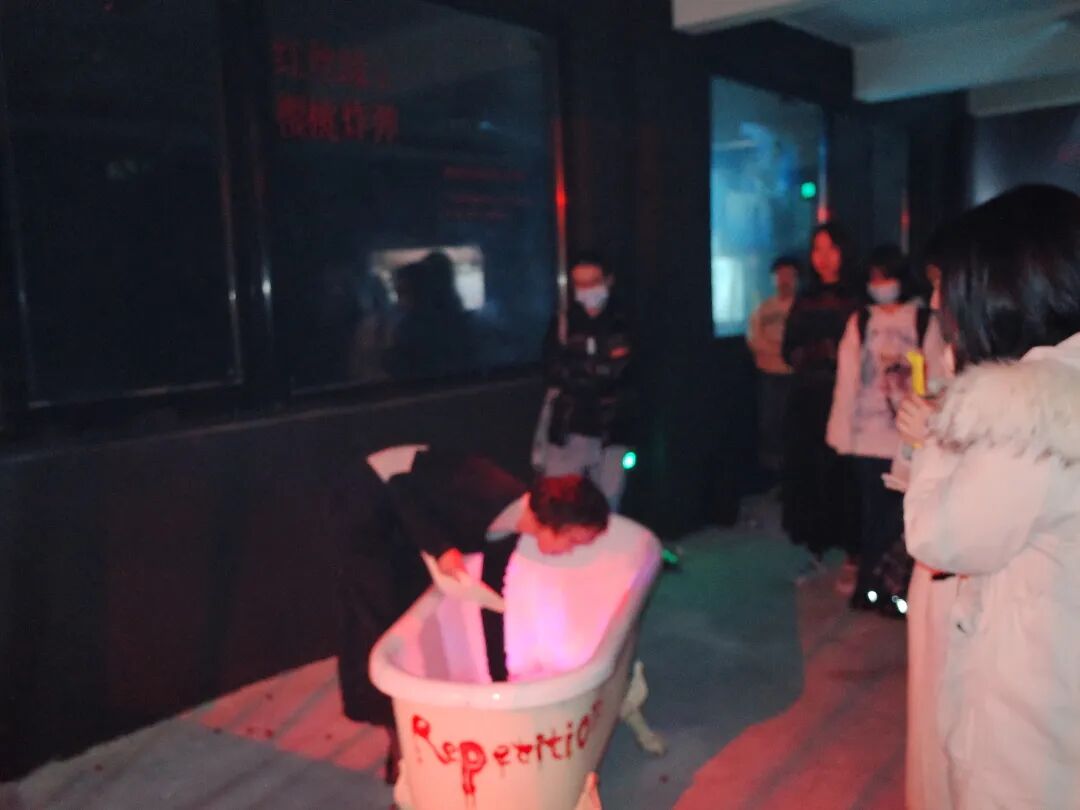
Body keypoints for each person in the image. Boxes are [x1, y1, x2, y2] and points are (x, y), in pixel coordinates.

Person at [898, 184, 1080, 809]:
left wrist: (936, 437)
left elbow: (941, 539)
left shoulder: (1025, 405)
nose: (939, 302)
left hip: (1032, 697)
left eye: (950, 284)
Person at [333, 447, 613, 774]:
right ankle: (399, 745)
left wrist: (500, 683)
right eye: (574, 541)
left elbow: (490, 603)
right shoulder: (489, 492)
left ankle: (406, 725)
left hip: (402, 513)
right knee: (379, 621)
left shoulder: (508, 529)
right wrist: (442, 548)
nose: (571, 551)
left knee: (409, 606)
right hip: (367, 494)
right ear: (556, 522)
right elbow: (400, 486)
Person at [826, 244, 945, 610]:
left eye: (886, 276)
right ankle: (870, 589)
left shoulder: (923, 320)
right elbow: (846, 381)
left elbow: (937, 377)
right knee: (873, 517)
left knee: (898, 518)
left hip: (907, 436)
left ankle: (889, 590)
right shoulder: (861, 320)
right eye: (874, 278)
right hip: (866, 436)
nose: (880, 284)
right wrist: (841, 434)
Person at [780, 224, 861, 578]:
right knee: (810, 472)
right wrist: (814, 353)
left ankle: (853, 550)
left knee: (846, 474)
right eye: (817, 249)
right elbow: (788, 348)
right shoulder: (806, 298)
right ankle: (814, 545)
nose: (823, 257)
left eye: (831, 249)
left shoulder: (858, 296)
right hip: (808, 398)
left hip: (849, 398)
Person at [540, 252, 635, 510]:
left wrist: (583, 370)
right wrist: (597, 370)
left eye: (593, 282)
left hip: (612, 429)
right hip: (570, 427)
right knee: (559, 502)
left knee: (607, 504)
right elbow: (553, 370)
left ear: (608, 280)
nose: (586, 290)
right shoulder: (563, 322)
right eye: (579, 284)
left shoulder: (625, 321)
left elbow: (626, 371)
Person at [747, 256, 798, 476]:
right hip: (767, 373)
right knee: (769, 423)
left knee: (792, 424)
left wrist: (782, 351)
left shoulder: (801, 307)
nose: (784, 280)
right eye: (780, 275)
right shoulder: (763, 308)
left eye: (789, 275)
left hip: (794, 375)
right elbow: (753, 339)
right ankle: (772, 474)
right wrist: (778, 350)